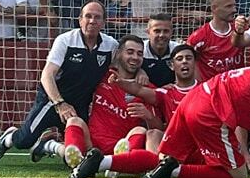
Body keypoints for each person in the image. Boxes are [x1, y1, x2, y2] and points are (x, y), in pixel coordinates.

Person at [0, 2, 118, 165]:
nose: (92, 21)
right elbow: (47, 75)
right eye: (88, 16)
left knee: (79, 154)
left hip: (79, 106)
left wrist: (139, 75)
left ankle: (47, 145)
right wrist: (60, 104)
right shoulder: (65, 40)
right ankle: (9, 138)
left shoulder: (111, 45)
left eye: (97, 17)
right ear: (80, 20)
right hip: (52, 101)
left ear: (104, 22)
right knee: (24, 141)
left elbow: (122, 67)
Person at [70, 44, 199, 178]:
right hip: (171, 150)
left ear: (195, 63)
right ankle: (158, 168)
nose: (184, 62)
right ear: (172, 65)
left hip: (199, 147)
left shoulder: (205, 90)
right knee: (153, 134)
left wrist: (148, 116)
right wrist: (121, 82)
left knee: (144, 131)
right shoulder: (165, 92)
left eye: (188, 58)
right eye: (179, 59)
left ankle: (106, 162)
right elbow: (138, 90)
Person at [32, 34, 159, 167]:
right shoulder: (102, 75)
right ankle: (77, 159)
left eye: (140, 54)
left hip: (123, 142)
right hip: (92, 145)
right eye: (130, 52)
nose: (135, 57)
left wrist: (148, 117)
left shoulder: (148, 89)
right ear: (118, 53)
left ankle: (118, 160)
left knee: (140, 130)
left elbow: (158, 130)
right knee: (74, 121)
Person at [186, 0, 246, 80]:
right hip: (212, 87)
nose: (234, 10)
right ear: (214, 8)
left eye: (234, 6)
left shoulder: (240, 31)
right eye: (229, 6)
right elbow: (186, 61)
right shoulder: (199, 37)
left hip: (236, 85)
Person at [142, 13, 178, 87]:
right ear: (148, 32)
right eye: (157, 31)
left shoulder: (179, 51)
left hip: (171, 92)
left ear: (172, 32)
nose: (161, 35)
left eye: (166, 31)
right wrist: (138, 71)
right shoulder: (139, 50)